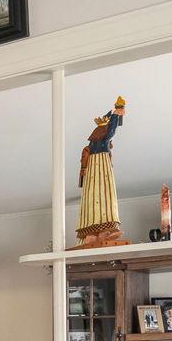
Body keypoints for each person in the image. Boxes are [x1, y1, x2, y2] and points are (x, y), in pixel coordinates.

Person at [75, 97, 127, 248]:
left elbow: (108, 127)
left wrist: (115, 113)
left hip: (96, 171)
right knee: (103, 195)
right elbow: (111, 131)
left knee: (98, 197)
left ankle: (98, 233)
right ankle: (96, 234)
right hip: (100, 168)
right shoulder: (102, 142)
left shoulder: (94, 144)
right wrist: (116, 115)